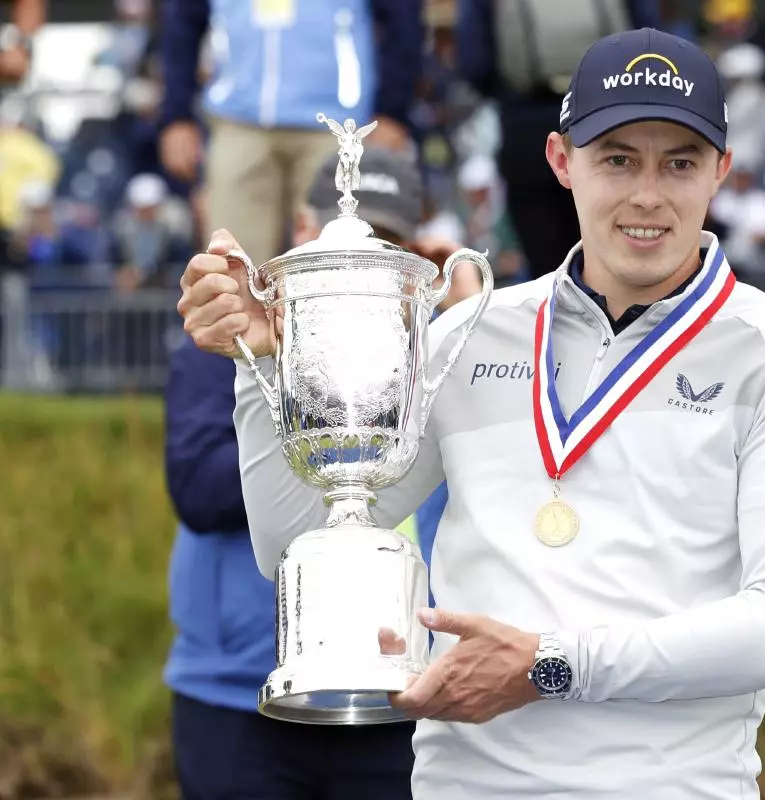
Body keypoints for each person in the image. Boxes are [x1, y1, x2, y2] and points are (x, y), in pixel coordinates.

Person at [178, 28, 765, 799]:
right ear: (561, 162)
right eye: (617, 159)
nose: (647, 195)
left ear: (721, 172)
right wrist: (265, 362)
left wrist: (549, 664)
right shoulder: (470, 330)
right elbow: (291, 541)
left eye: (680, 163)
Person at [163, 145, 479, 800]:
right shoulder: (226, 335)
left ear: (416, 254)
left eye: (388, 241)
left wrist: (460, 337)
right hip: (234, 691)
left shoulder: (436, 358)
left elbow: (479, 489)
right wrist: (298, 406)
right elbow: (195, 487)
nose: (366, 261)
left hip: (401, 681)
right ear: (303, 232)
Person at [158, 0, 423, 268]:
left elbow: (402, 18)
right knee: (232, 266)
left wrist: (392, 110)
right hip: (237, 119)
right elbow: (182, 20)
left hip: (336, 124)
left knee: (333, 263)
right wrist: (176, 114)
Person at [455, 0, 660, 277]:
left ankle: (554, 315)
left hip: (526, 118)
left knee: (546, 261)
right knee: (613, 243)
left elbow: (474, 62)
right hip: (608, 111)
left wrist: (509, 94)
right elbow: (651, 40)